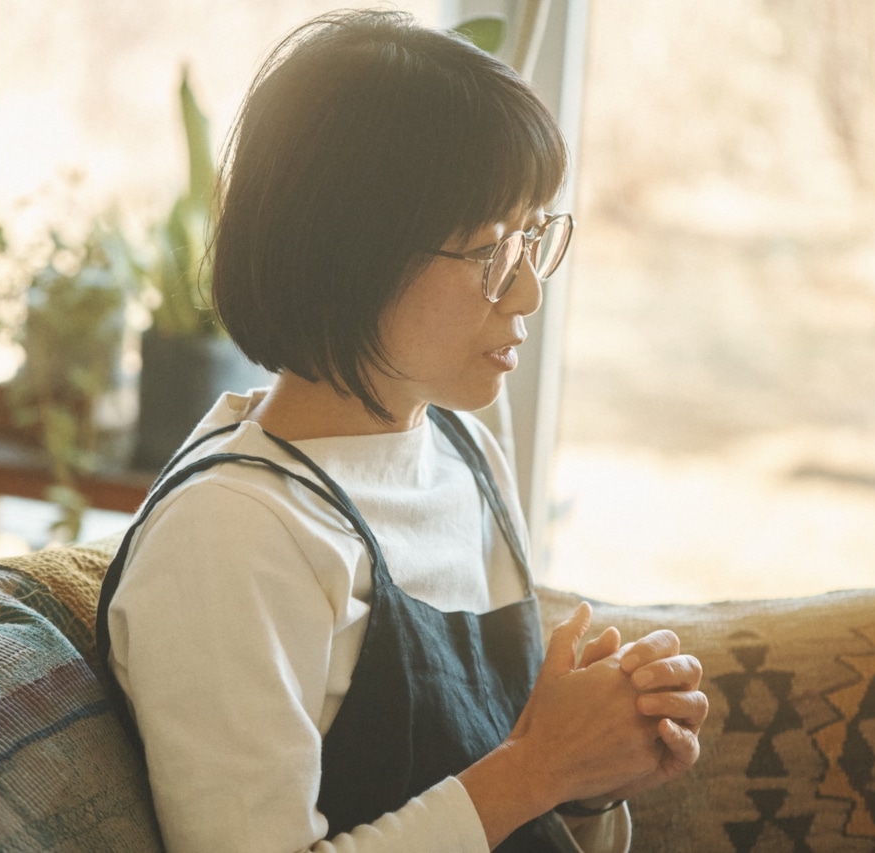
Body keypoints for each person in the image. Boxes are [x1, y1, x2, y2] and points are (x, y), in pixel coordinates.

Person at [96, 9, 707, 852]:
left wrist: (590, 783)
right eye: (493, 248)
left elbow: (506, 808)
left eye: (534, 236)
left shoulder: (468, 456)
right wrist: (539, 767)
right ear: (355, 252)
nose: (528, 292)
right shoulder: (233, 534)